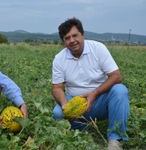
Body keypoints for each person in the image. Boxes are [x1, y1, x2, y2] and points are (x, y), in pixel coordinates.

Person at [51, 17, 129, 149]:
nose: (72, 41)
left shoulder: (98, 48)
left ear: (82, 34)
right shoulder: (59, 59)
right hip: (75, 102)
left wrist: (94, 93)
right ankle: (81, 130)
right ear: (63, 41)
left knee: (120, 91)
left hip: (100, 100)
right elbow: (57, 88)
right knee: (58, 113)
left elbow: (116, 76)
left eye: (75, 35)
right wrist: (65, 104)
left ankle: (115, 139)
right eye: (67, 38)